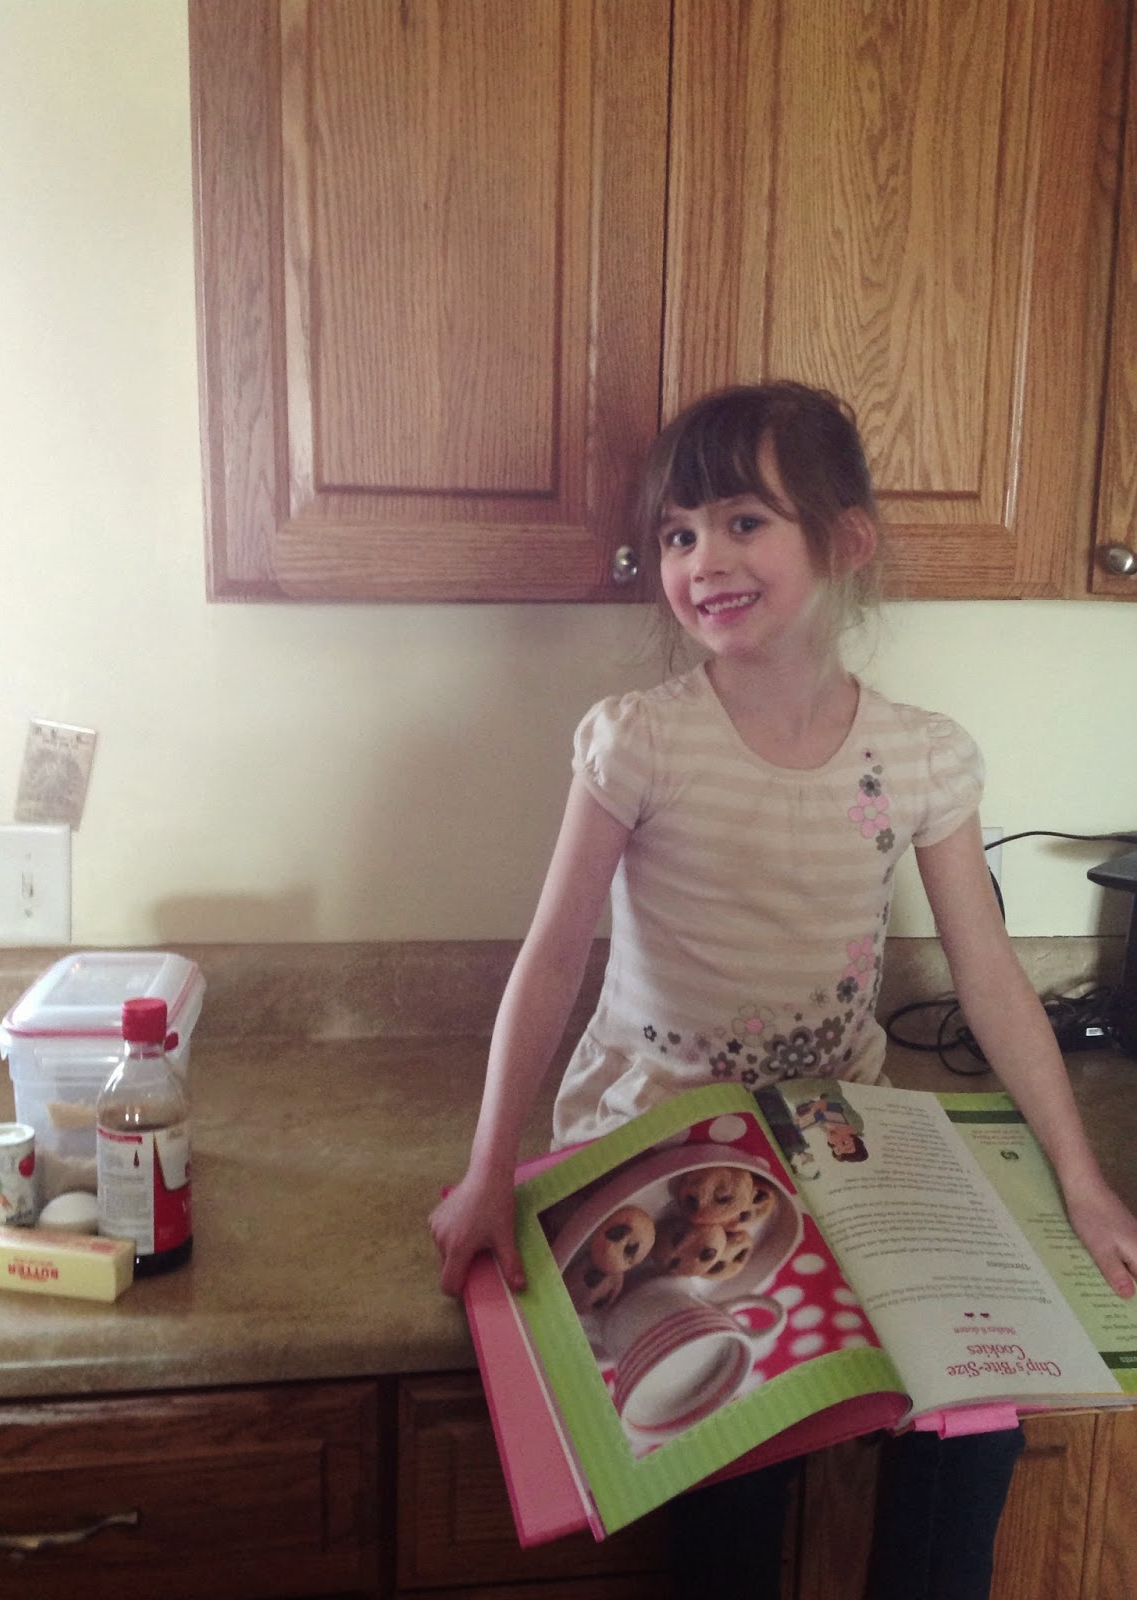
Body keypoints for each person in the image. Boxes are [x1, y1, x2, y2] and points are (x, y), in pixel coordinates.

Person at [429, 381, 1137, 1599]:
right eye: (678, 533)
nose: (702, 559)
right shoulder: (639, 738)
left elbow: (986, 975)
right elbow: (551, 957)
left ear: (845, 540)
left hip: (837, 1142)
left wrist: (1081, 1179)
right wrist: (490, 1170)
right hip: (657, 1138)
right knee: (738, 1435)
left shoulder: (919, 754)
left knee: (976, 1410)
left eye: (743, 522)